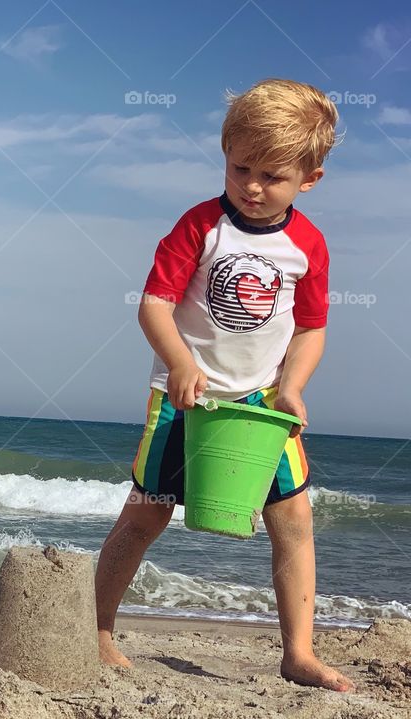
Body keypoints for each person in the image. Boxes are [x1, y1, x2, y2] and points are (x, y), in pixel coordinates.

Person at [95, 78, 354, 692]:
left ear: (309, 179)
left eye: (273, 176)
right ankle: (99, 628)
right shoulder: (201, 226)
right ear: (224, 151)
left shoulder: (307, 245)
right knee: (145, 516)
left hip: (262, 404)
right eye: (240, 168)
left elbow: (312, 329)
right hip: (185, 398)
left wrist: (292, 386)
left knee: (292, 521)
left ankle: (298, 652)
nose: (253, 187)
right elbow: (154, 304)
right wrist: (181, 363)